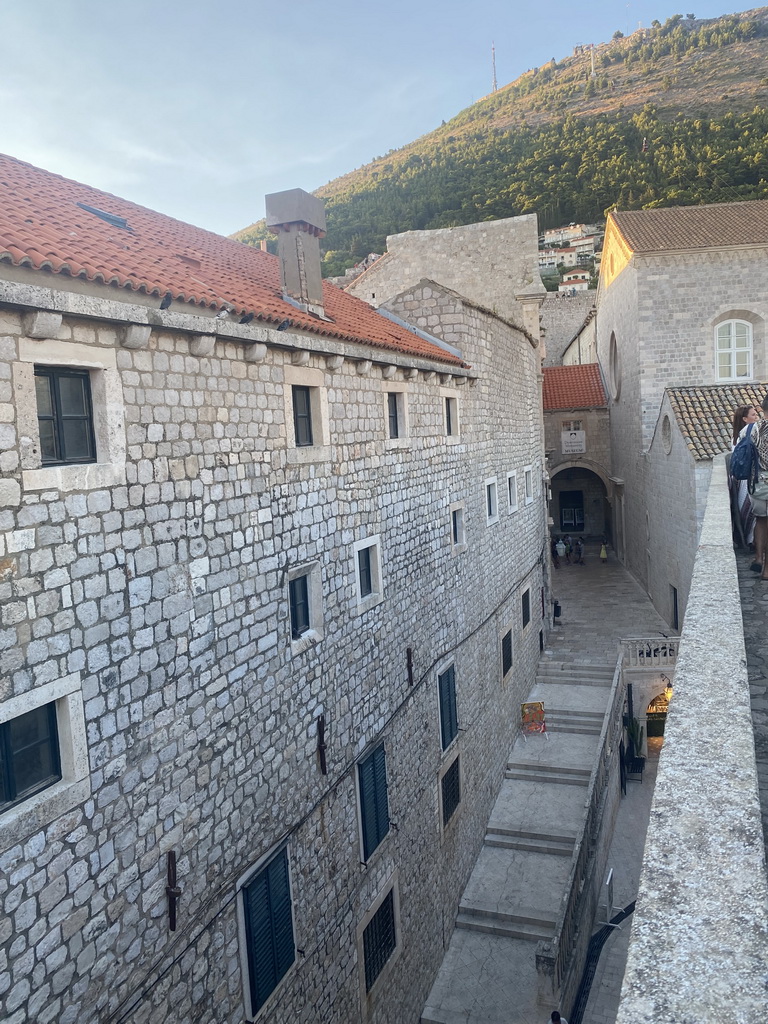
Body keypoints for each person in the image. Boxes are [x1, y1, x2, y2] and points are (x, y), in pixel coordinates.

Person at [731, 404, 759, 566]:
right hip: (748, 479)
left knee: (749, 513)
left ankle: (751, 542)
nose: (756, 417)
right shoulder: (749, 435)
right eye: (754, 415)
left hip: (741, 480)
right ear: (745, 419)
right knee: (755, 514)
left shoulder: (736, 437)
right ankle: (754, 543)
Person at [750, 395, 768, 580]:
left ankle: (758, 558)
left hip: (757, 483)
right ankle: (767, 570)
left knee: (761, 521)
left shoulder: (752, 429)